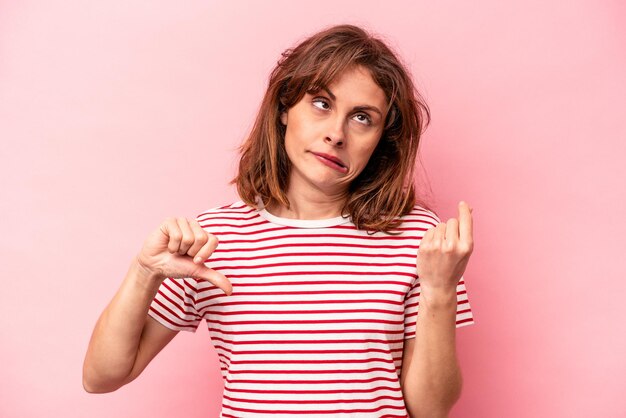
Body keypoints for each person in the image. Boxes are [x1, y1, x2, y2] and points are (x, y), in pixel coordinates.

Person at [83, 23, 476, 417]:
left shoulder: (418, 239)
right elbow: (101, 377)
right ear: (285, 108)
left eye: (362, 118)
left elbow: (431, 410)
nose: (336, 134)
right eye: (321, 103)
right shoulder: (214, 240)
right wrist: (143, 271)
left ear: (380, 139)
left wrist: (440, 290)